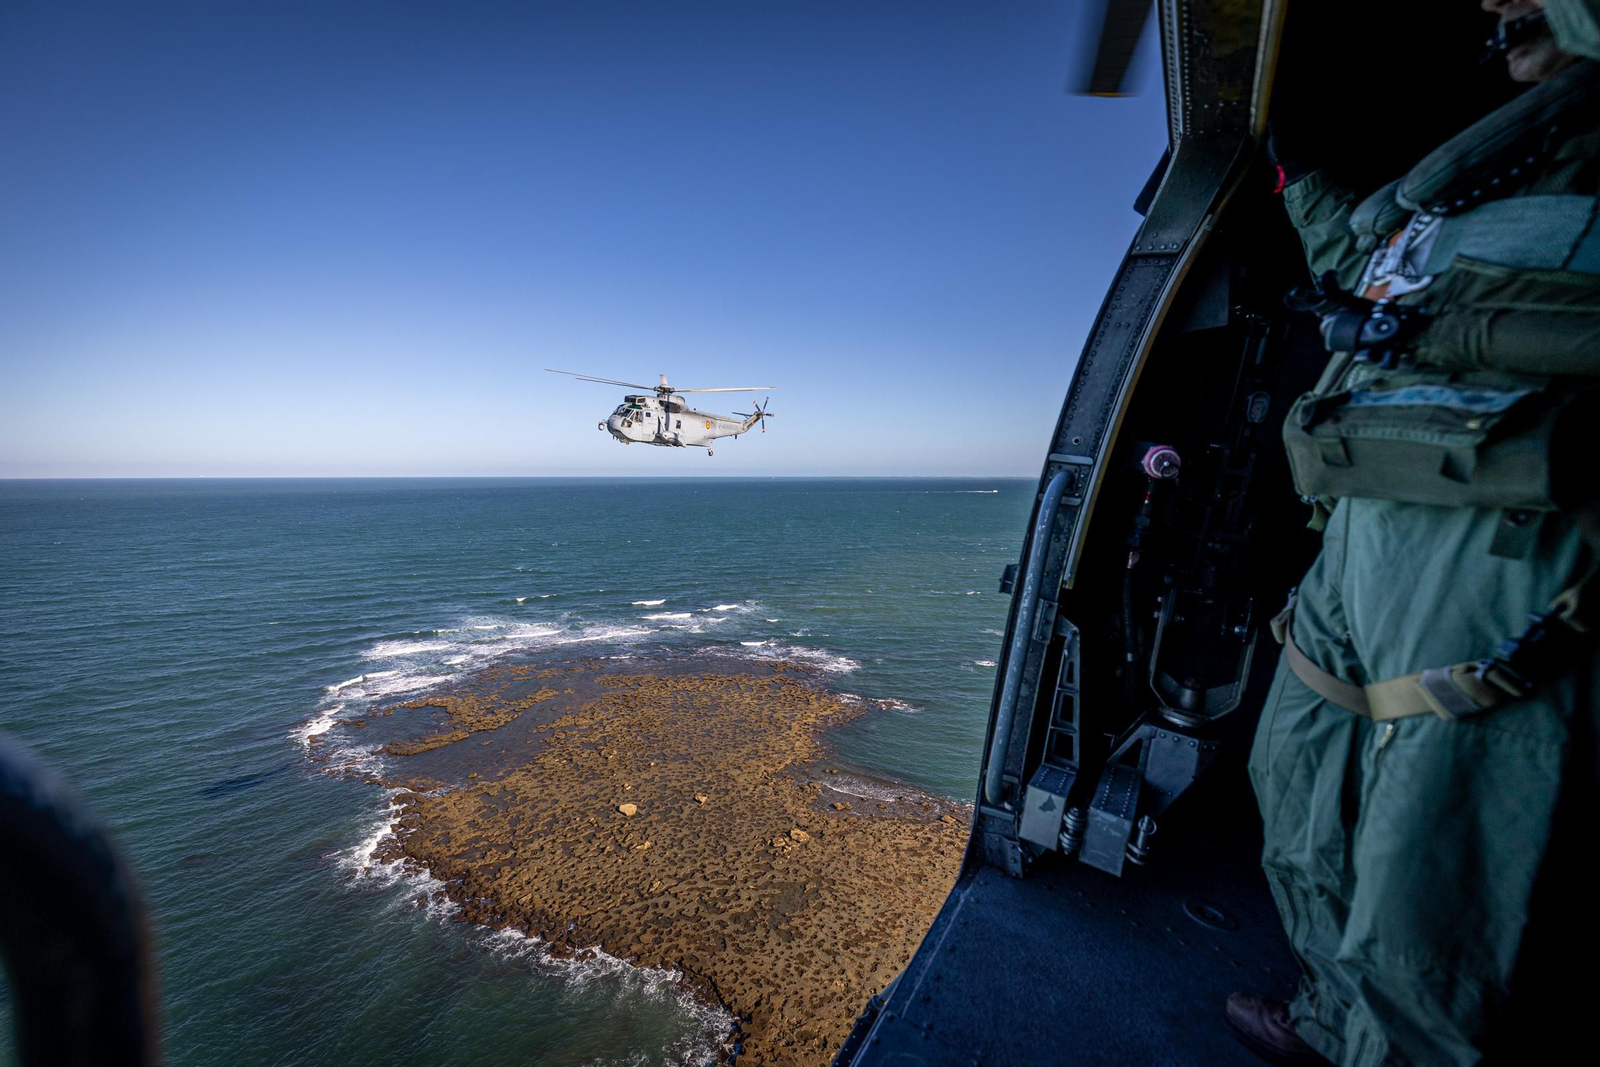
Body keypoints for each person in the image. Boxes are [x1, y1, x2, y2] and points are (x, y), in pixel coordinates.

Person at [1226, 2, 1600, 1063]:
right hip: (1367, 509)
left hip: (1505, 533)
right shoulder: (1502, 154)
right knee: (1298, 775)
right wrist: (1295, 168)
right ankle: (1328, 1015)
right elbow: (1371, 263)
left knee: (1434, 881)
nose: (1490, 5)